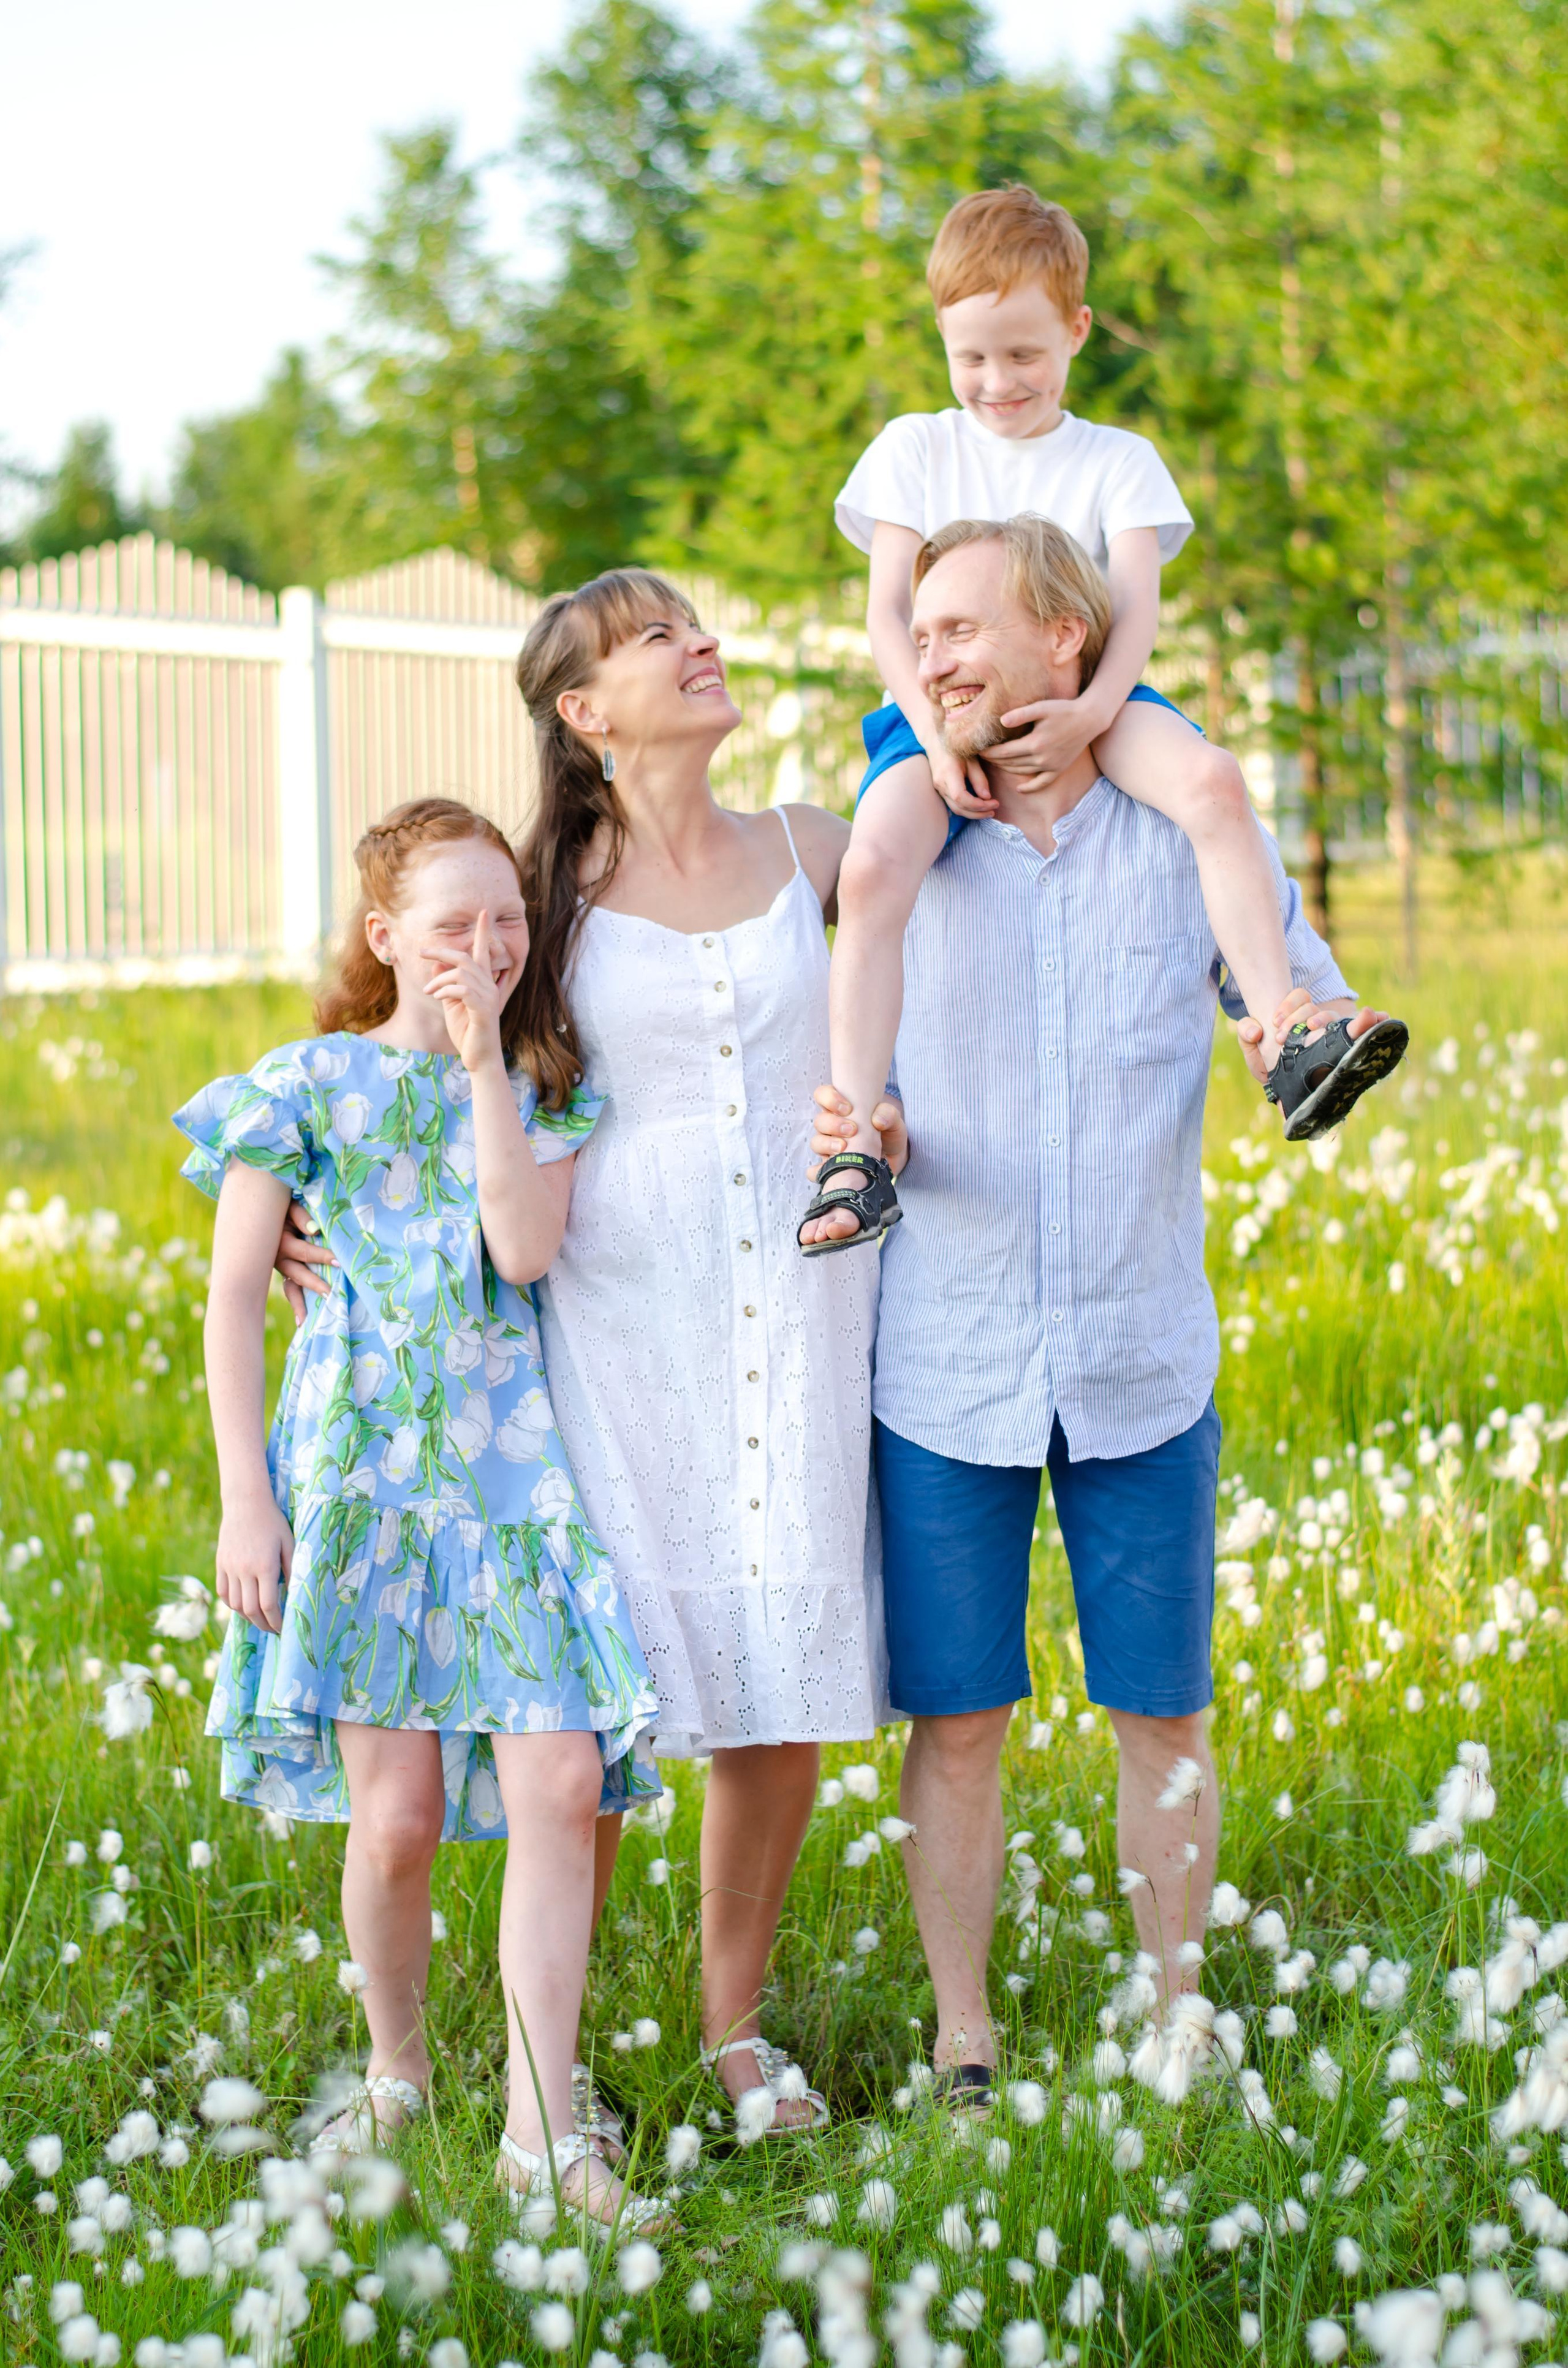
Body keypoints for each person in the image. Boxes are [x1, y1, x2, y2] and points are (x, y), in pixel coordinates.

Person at [810, 516, 1404, 2103]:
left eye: (960, 626)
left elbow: (1295, 1006)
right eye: (919, 630)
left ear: (1066, 640)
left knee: (1164, 1714)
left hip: (1141, 1359)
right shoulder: (904, 845)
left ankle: (1173, 2014)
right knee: (956, 1725)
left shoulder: (1187, 839)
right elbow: (801, 1031)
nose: (929, 656)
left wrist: (1300, 1017)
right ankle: (963, 2038)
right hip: (947, 1365)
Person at [179, 796, 665, 2228]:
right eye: (455, 924)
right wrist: (246, 1500)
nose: (488, 945)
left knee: (560, 1783)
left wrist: (482, 1070)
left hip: (510, 1488)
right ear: (387, 937)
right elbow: (231, 1300)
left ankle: (541, 2130)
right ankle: (395, 2067)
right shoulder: (302, 1086)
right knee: (392, 1820)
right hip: (362, 1489)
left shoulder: (538, 1086)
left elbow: (520, 1247)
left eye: (506, 919)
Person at [803, 184, 1403, 1254]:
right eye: (971, 357)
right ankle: (853, 1141)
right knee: (876, 867)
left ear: (1078, 330)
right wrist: (931, 735)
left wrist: (1088, 712)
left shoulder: (1117, 460)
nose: (998, 382)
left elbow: (1135, 613)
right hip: (937, 709)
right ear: (941, 338)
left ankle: (1284, 1027)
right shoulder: (914, 448)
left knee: (1212, 785)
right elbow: (888, 613)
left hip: (1092, 695)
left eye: (1024, 355)